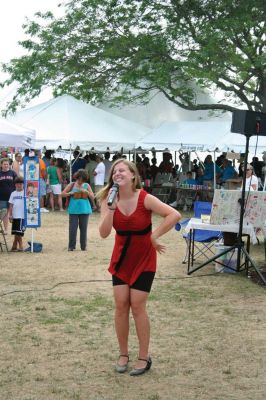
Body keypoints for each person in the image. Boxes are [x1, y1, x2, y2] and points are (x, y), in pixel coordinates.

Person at [97, 159, 181, 376]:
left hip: (144, 257)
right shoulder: (108, 199)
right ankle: (123, 354)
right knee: (121, 304)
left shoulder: (145, 198)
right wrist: (112, 210)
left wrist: (155, 235)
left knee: (137, 305)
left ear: (133, 175)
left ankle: (144, 356)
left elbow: (174, 215)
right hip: (121, 258)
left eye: (122, 170)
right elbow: (104, 233)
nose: (117, 173)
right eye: (115, 171)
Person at [62, 169, 95, 251]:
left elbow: (93, 197)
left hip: (85, 209)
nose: (81, 182)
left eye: (83, 180)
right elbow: (62, 194)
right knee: (72, 228)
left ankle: (83, 246)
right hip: (73, 210)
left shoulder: (86, 185)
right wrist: (70, 193)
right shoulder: (72, 184)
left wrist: (87, 192)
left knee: (84, 228)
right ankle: (71, 246)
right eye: (80, 180)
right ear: (77, 177)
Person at [8, 176, 25, 251]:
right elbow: (11, 205)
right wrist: (10, 215)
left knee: (19, 232)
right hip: (14, 216)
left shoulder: (25, 193)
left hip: (22, 216)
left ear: (23, 185)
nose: (19, 185)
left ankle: (20, 246)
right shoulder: (13, 194)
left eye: (21, 184)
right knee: (16, 231)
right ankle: (14, 246)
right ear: (15, 185)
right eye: (18, 184)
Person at [0, 158, 17, 234]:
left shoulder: (13, 173)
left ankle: (16, 229)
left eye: (7, 164)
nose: (6, 165)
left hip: (12, 197)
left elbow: (17, 183)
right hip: (2, 197)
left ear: (9, 165)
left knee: (14, 213)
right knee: (5, 214)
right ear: (1, 165)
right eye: (4, 164)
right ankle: (6, 229)